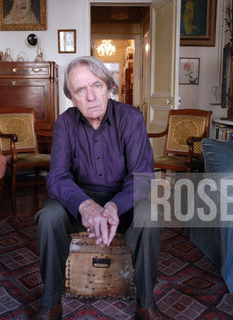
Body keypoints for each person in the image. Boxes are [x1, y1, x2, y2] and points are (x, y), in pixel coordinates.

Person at [35, 56, 167, 320]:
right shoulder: (65, 123)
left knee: (149, 216)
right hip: (78, 200)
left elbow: (142, 176)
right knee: (48, 216)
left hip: (124, 200)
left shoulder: (130, 118)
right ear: (71, 98)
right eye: (80, 90)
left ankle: (146, 304)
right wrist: (85, 205)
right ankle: (51, 303)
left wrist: (114, 206)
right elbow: (58, 177)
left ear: (109, 87)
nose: (91, 96)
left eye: (96, 86)